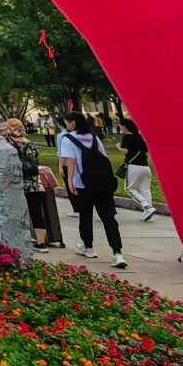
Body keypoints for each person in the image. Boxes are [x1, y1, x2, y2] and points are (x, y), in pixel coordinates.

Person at [59, 112, 127, 268]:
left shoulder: (67, 139)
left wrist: (70, 180)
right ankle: (117, 253)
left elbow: (71, 161)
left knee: (85, 216)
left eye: (67, 122)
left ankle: (88, 246)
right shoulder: (94, 137)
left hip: (82, 183)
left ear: (73, 123)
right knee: (109, 218)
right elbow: (104, 157)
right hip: (102, 183)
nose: (66, 125)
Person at [0, 118, 49, 253]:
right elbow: (36, 160)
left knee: (14, 213)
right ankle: (41, 243)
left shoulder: (6, 143)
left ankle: (16, 241)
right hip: (34, 184)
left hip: (16, 183)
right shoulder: (30, 143)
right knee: (37, 213)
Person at [118, 118, 156, 220]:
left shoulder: (127, 137)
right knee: (145, 190)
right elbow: (146, 151)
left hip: (134, 167)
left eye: (120, 126)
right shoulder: (139, 137)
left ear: (124, 126)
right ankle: (148, 211)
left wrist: (118, 147)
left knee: (129, 188)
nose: (120, 128)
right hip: (145, 167)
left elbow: (125, 151)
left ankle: (146, 207)